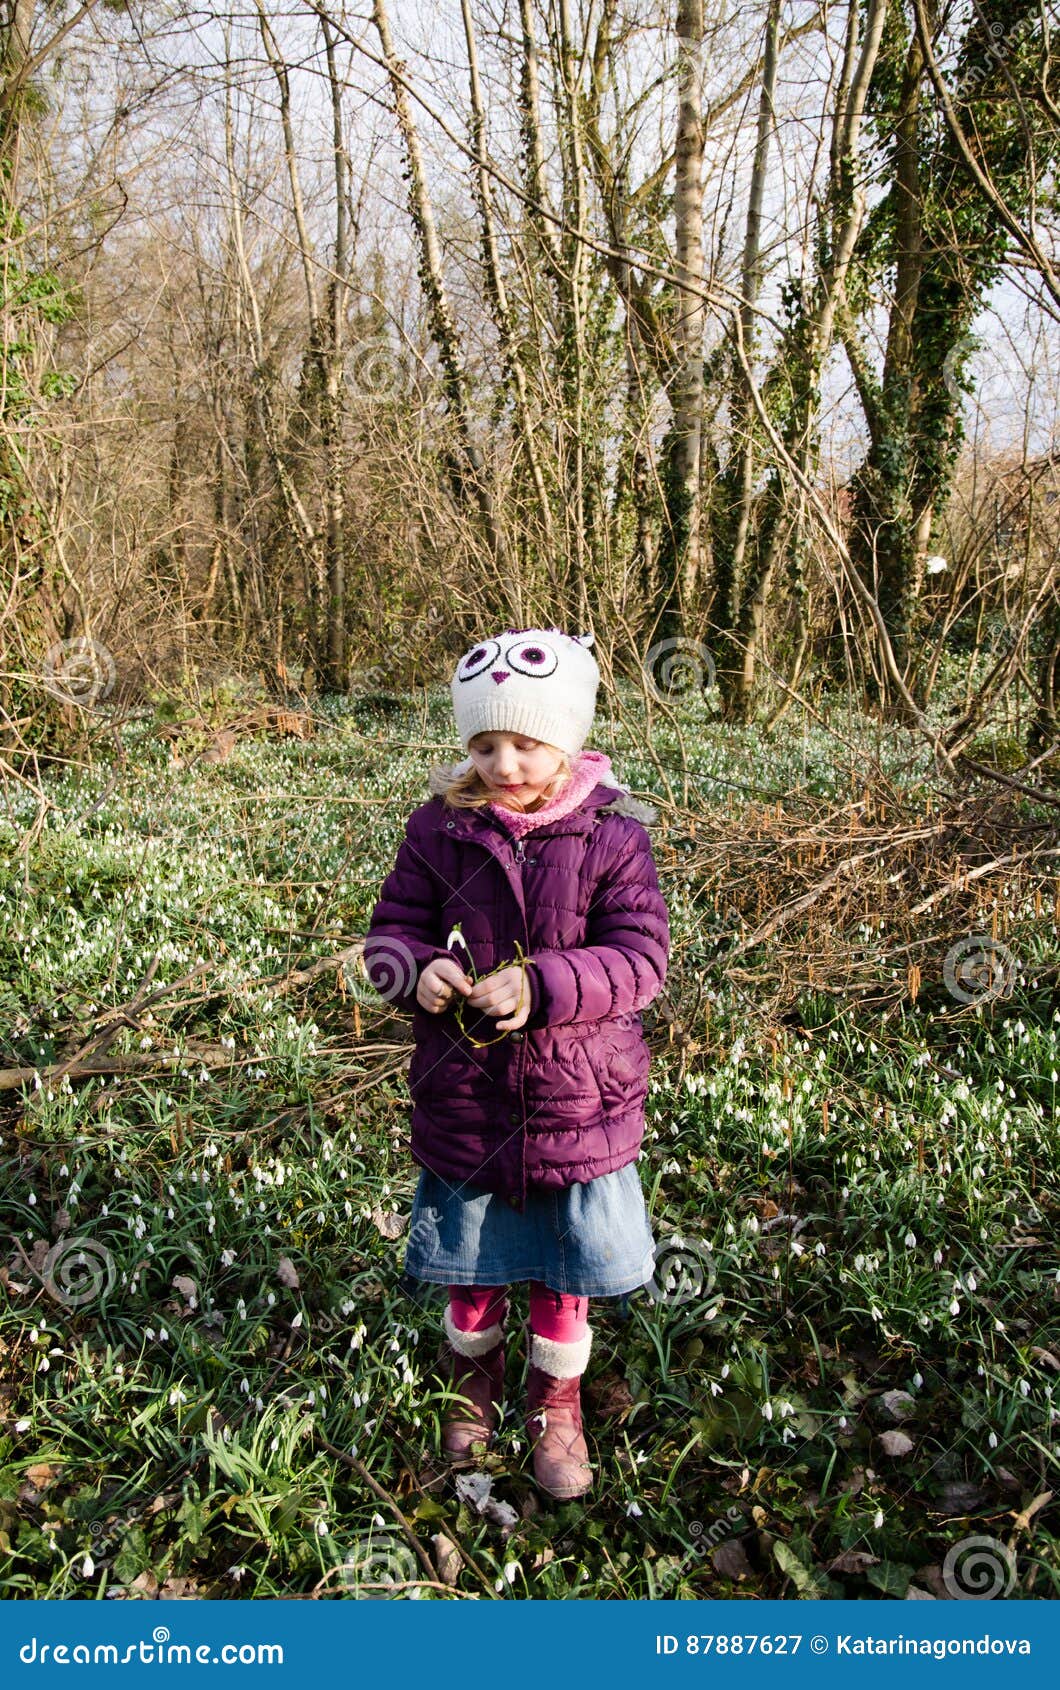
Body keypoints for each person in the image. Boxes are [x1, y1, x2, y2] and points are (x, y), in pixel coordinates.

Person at [362, 626, 670, 1501]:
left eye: (526, 744)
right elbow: (389, 935)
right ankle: (474, 1373)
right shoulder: (437, 831)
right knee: (474, 1262)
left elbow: (641, 959)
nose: (504, 764)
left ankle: (556, 1402)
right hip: (466, 1098)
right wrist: (414, 971)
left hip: (579, 1101)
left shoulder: (612, 837)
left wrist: (543, 986)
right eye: (484, 744)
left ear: (567, 740)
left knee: (564, 1272)